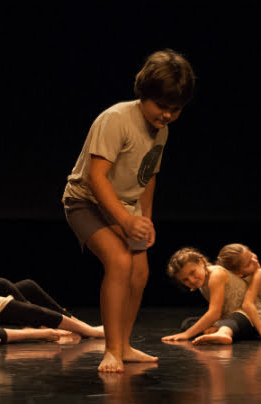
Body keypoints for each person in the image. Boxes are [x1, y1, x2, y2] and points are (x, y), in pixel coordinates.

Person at [62, 49, 195, 372]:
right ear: (144, 95)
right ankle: (110, 350)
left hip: (124, 206)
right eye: (161, 106)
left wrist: (145, 219)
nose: (167, 115)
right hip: (85, 201)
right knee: (120, 262)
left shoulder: (161, 131)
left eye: (175, 109)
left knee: (140, 272)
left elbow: (148, 176)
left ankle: (124, 345)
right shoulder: (116, 119)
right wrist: (125, 220)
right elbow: (95, 178)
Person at [161, 247, 248, 342]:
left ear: (201, 262)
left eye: (192, 273)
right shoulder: (202, 281)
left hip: (250, 316)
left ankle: (222, 332)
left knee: (236, 318)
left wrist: (187, 334)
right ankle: (219, 331)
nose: (192, 280)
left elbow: (215, 313)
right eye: (185, 280)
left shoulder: (216, 274)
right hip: (227, 317)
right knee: (188, 323)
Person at [190, 243, 261, 345]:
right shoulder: (242, 278)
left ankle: (223, 332)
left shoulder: (258, 273)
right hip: (248, 315)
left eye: (251, 255)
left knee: (237, 317)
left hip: (255, 315)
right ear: (238, 274)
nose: (254, 261)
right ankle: (221, 331)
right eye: (248, 264)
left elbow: (247, 305)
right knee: (190, 323)